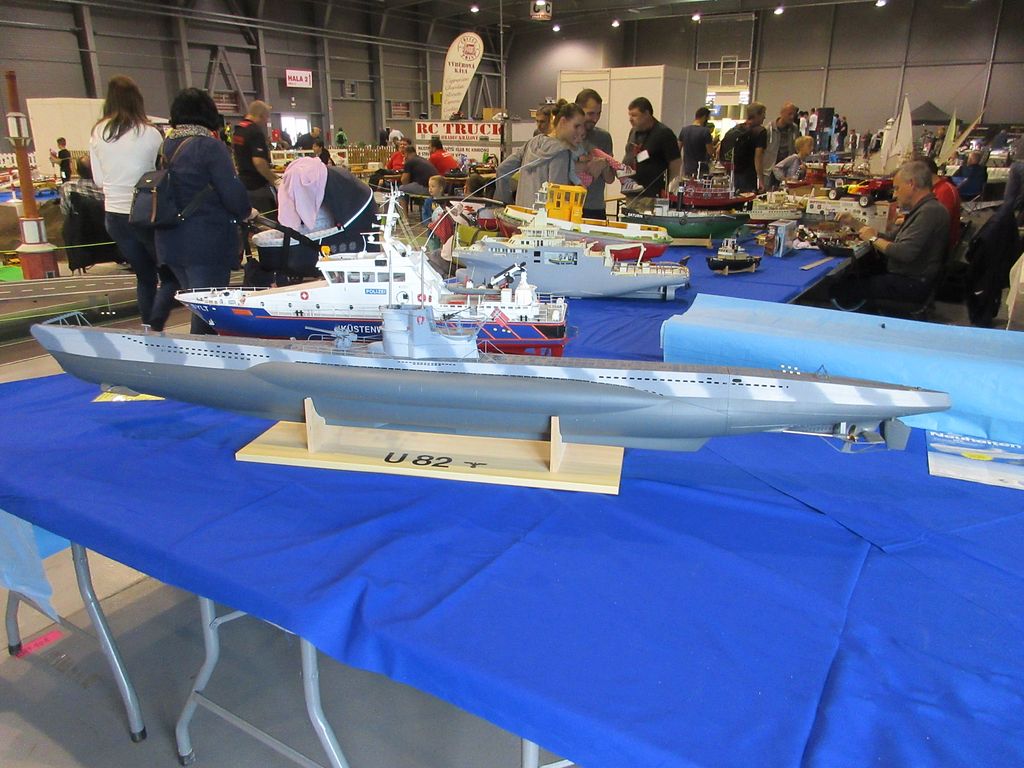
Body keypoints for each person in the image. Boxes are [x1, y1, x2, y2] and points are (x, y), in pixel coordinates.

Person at [154, 88, 252, 334]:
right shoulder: (210, 147)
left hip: (170, 239)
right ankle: (203, 355)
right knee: (209, 314)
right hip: (206, 242)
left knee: (197, 306)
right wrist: (247, 211)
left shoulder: (166, 146)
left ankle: (157, 330)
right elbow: (233, 194)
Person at [89, 75, 164, 326]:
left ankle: (150, 329)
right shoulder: (151, 133)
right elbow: (159, 173)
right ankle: (163, 322)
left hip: (115, 215)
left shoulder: (98, 132)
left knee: (144, 276)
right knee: (168, 273)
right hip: (146, 211)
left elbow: (99, 179)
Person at [830, 160, 949, 310]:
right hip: (910, 278)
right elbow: (892, 238)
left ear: (911, 184)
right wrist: (856, 224)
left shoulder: (930, 212)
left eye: (897, 188)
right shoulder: (924, 209)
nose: (895, 194)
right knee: (853, 275)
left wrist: (873, 239)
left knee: (843, 288)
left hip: (912, 283)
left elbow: (905, 252)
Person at [497, 100, 589, 208]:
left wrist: (506, 202)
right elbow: (557, 199)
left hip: (519, 213)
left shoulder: (531, 143)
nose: (581, 131)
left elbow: (502, 169)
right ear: (563, 122)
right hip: (542, 217)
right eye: (576, 126)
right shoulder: (562, 153)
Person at [60, 156, 120, 273]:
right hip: (109, 232)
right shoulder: (108, 187)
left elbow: (65, 211)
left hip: (82, 234)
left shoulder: (68, 188)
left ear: (77, 171)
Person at [622, 97, 681, 196]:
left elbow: (675, 163)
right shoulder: (633, 132)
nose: (630, 119)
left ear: (647, 114)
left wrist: (670, 189)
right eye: (630, 115)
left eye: (634, 115)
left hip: (653, 194)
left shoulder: (664, 133)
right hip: (632, 192)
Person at [232, 100, 278, 216]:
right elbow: (259, 162)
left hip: (243, 185)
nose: (266, 121)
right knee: (269, 220)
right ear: (261, 115)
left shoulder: (238, 129)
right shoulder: (255, 131)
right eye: (266, 117)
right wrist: (274, 180)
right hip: (258, 187)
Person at [576, 88, 615, 219]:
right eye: (591, 114)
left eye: (598, 114)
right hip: (571, 206)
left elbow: (610, 179)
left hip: (596, 208)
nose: (595, 119)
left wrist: (604, 164)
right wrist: (588, 165)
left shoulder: (604, 137)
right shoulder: (568, 136)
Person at [721, 101, 767, 193]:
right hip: (748, 176)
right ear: (757, 115)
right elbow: (758, 157)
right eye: (763, 114)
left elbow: (720, 149)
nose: (764, 117)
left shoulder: (735, 129)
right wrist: (761, 180)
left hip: (732, 174)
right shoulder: (760, 131)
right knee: (748, 199)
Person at [923, 157, 961, 253]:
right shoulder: (936, 188)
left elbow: (934, 225)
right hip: (934, 243)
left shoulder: (944, 191)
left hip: (938, 249)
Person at [762, 102, 799, 190]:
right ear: (782, 113)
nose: (792, 117)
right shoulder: (769, 129)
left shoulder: (795, 129)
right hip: (770, 170)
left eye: (793, 114)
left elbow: (797, 148)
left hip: (786, 170)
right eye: (789, 114)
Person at [678, 106, 714, 178]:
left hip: (687, 168)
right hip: (701, 169)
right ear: (704, 117)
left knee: (688, 184)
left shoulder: (684, 130)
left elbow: (678, 149)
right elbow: (710, 151)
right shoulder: (705, 131)